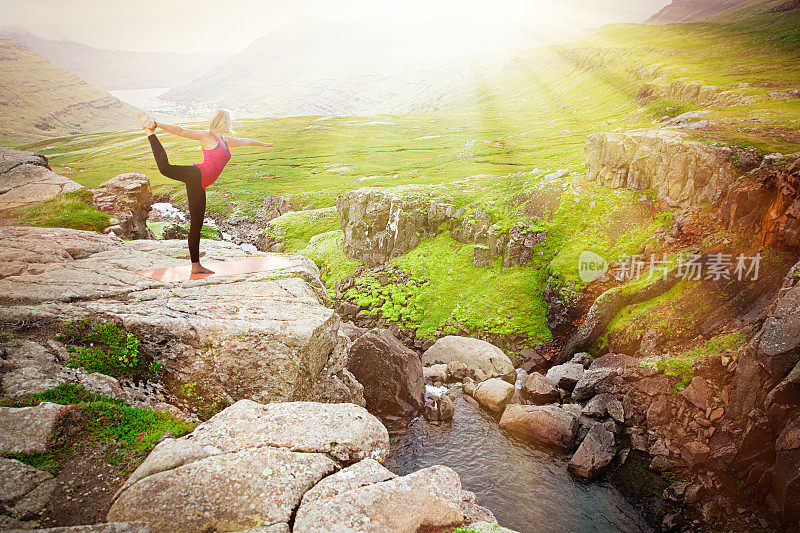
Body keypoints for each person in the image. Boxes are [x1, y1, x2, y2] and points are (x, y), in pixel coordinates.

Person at [138, 110, 273, 274]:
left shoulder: (225, 140)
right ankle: (150, 133)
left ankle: (196, 266)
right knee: (165, 168)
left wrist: (262, 144)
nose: (230, 124)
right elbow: (181, 130)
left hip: (200, 184)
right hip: (196, 174)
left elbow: (244, 141)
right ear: (222, 121)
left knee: (197, 224)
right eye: (228, 121)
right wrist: (157, 125)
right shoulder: (207, 136)